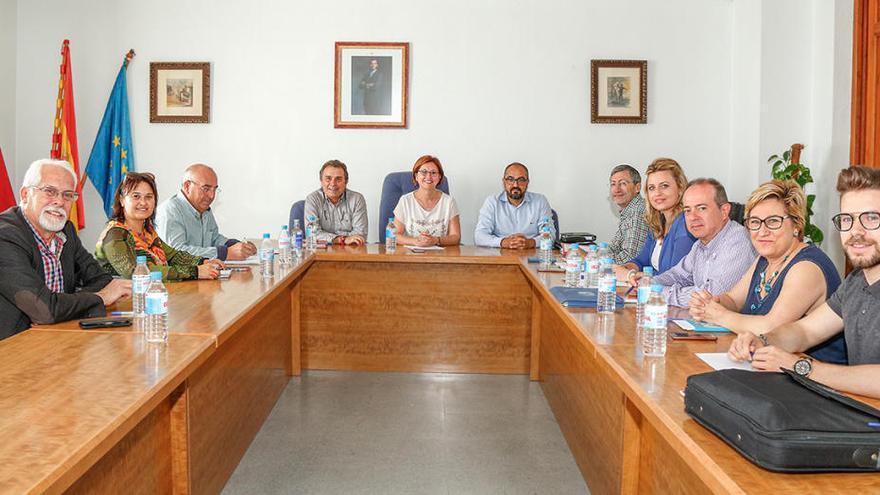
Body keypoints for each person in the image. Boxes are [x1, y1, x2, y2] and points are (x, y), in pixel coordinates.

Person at [728, 166, 880, 398]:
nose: (856, 231)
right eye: (847, 219)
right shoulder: (856, 282)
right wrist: (763, 341)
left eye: (871, 218)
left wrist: (803, 367)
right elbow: (805, 331)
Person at [689, 180, 846, 363]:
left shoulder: (807, 267)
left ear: (796, 225)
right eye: (755, 222)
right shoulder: (764, 259)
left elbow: (771, 327)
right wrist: (712, 302)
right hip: (766, 364)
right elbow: (733, 300)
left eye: (773, 221)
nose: (762, 231)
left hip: (812, 373)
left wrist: (719, 315)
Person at [0, 159, 130, 340]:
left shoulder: (66, 230)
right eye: (49, 191)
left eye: (68, 195)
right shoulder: (5, 237)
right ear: (25, 195)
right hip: (12, 349)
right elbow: (44, 310)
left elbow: (101, 279)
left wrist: (59, 306)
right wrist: (100, 298)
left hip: (57, 337)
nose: (59, 201)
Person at [636, 178, 756, 307]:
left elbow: (711, 296)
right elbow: (678, 275)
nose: (692, 217)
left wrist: (658, 292)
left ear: (724, 211)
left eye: (702, 208)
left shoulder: (739, 241)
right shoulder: (700, 243)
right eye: (687, 210)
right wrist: (649, 282)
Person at [96, 172, 224, 281]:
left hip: (152, 296)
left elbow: (173, 256)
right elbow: (136, 273)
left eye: (149, 197)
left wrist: (203, 262)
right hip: (122, 305)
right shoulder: (114, 233)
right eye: (136, 196)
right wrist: (195, 271)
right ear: (122, 200)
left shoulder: (147, 231)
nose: (143, 202)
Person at [614, 158, 695, 280]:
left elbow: (674, 277)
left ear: (680, 188)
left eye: (664, 186)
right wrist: (625, 268)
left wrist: (631, 275)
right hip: (655, 293)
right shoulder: (658, 223)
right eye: (652, 188)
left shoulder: (685, 224)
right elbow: (641, 261)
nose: (657, 193)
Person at [156, 163, 256, 261]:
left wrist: (238, 246)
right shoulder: (170, 211)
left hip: (204, 272)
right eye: (206, 189)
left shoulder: (203, 208)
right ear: (187, 186)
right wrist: (224, 253)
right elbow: (177, 254)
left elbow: (214, 239)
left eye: (214, 189)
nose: (212, 196)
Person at [474, 162, 554, 248]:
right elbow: (479, 236)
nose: (515, 185)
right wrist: (503, 242)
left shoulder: (540, 201)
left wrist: (530, 243)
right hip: (501, 256)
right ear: (504, 181)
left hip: (531, 256)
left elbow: (550, 235)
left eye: (521, 180)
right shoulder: (492, 202)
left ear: (527, 182)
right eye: (510, 179)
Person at [393, 155, 461, 247]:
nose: (428, 176)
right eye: (424, 172)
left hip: (440, 257)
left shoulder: (449, 202)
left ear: (439, 177)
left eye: (433, 173)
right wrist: (415, 241)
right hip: (411, 255)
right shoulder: (405, 201)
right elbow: (395, 235)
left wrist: (436, 240)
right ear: (416, 176)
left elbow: (456, 237)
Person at [303, 160, 368, 245]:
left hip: (350, 252)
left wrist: (327, 238)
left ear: (346, 182)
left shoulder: (357, 199)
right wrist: (341, 239)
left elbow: (360, 234)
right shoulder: (312, 199)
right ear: (321, 181)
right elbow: (312, 234)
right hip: (321, 254)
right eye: (328, 179)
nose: (333, 183)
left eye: (338, 179)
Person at [607, 164, 649, 264]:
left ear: (637, 187)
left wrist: (592, 259)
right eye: (613, 184)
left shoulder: (638, 212)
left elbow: (630, 257)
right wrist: (592, 253)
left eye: (623, 183)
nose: (617, 189)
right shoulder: (629, 211)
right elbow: (613, 248)